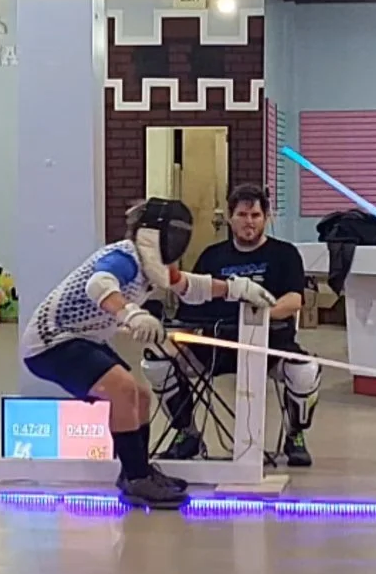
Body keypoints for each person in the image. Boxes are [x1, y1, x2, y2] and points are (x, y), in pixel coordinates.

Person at [21, 196, 275, 508]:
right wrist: (131, 314)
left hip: (84, 338)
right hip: (51, 341)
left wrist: (236, 288)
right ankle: (137, 479)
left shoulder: (152, 266)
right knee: (123, 390)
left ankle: (136, 471)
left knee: (140, 396)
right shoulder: (124, 257)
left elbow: (189, 286)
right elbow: (98, 285)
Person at [141, 184, 321, 467]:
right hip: (215, 345)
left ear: (266, 217)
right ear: (229, 217)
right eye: (242, 215)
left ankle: (295, 435)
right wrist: (173, 343)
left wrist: (259, 316)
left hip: (269, 345)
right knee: (157, 364)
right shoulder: (212, 256)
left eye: (255, 215)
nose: (249, 222)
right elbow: (191, 304)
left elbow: (294, 300)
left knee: (305, 371)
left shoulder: (285, 254)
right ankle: (187, 434)